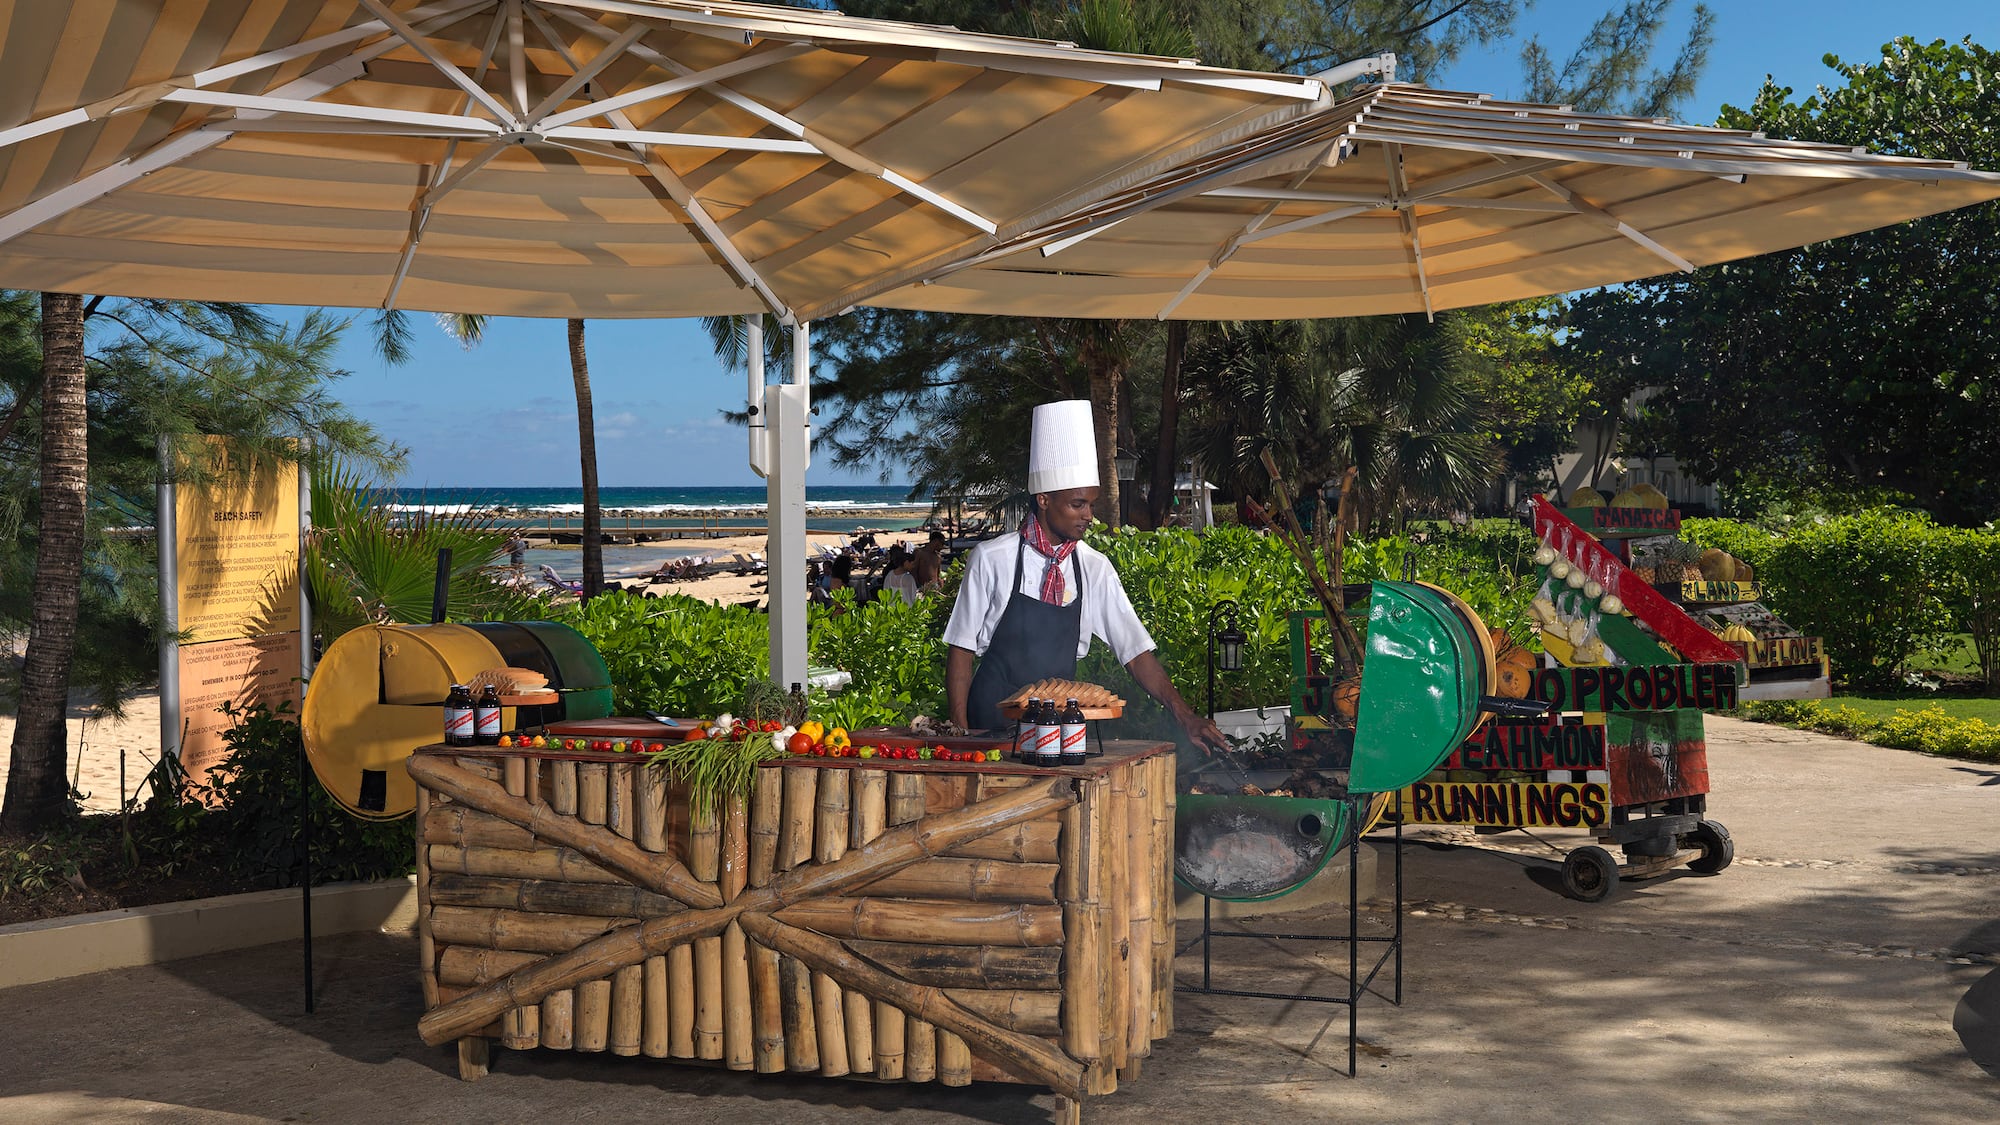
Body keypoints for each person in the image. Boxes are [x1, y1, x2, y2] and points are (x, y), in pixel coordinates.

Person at [942, 400, 1227, 751]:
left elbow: (1135, 652)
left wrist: (1186, 716)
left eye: (1091, 504)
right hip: (989, 727)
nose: (1089, 515)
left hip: (1057, 731)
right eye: (1078, 504)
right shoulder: (992, 558)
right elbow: (961, 649)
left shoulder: (1094, 567)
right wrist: (961, 737)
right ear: (1044, 499)